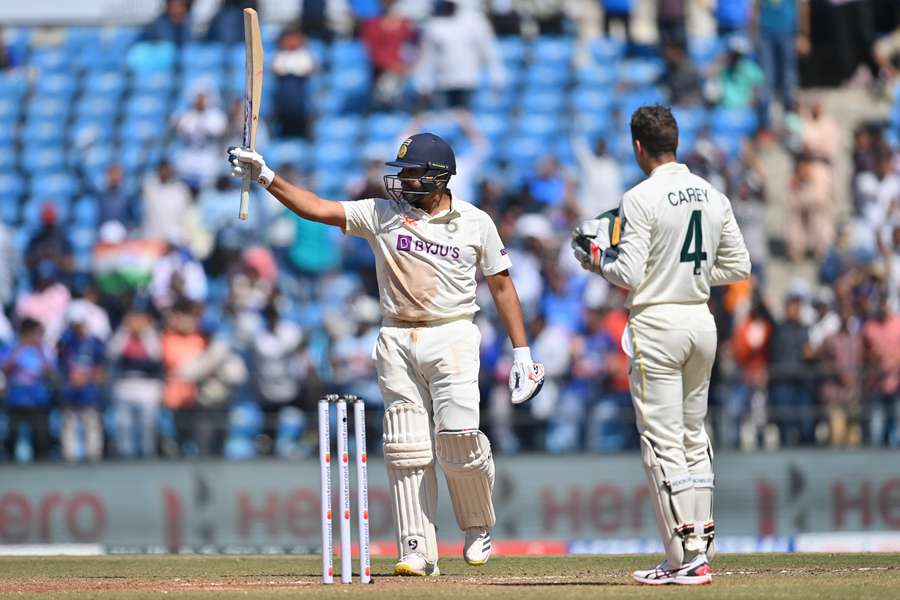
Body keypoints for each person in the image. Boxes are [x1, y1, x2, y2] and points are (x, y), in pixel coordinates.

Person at [227, 131, 543, 574]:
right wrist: (266, 176)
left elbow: (502, 285)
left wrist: (522, 352)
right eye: (402, 172)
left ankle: (476, 524)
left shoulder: (475, 222)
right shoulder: (382, 214)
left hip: (452, 334)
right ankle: (417, 547)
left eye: (414, 173)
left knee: (459, 439)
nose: (404, 181)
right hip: (396, 336)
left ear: (440, 178)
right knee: (405, 447)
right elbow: (318, 208)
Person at [571, 105, 751, 584]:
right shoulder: (713, 195)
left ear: (637, 148)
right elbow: (738, 266)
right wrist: (683, 274)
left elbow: (626, 274)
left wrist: (593, 258)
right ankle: (701, 546)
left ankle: (683, 559)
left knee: (662, 440)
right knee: (694, 435)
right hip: (700, 320)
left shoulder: (640, 197)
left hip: (657, 323)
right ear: (675, 141)